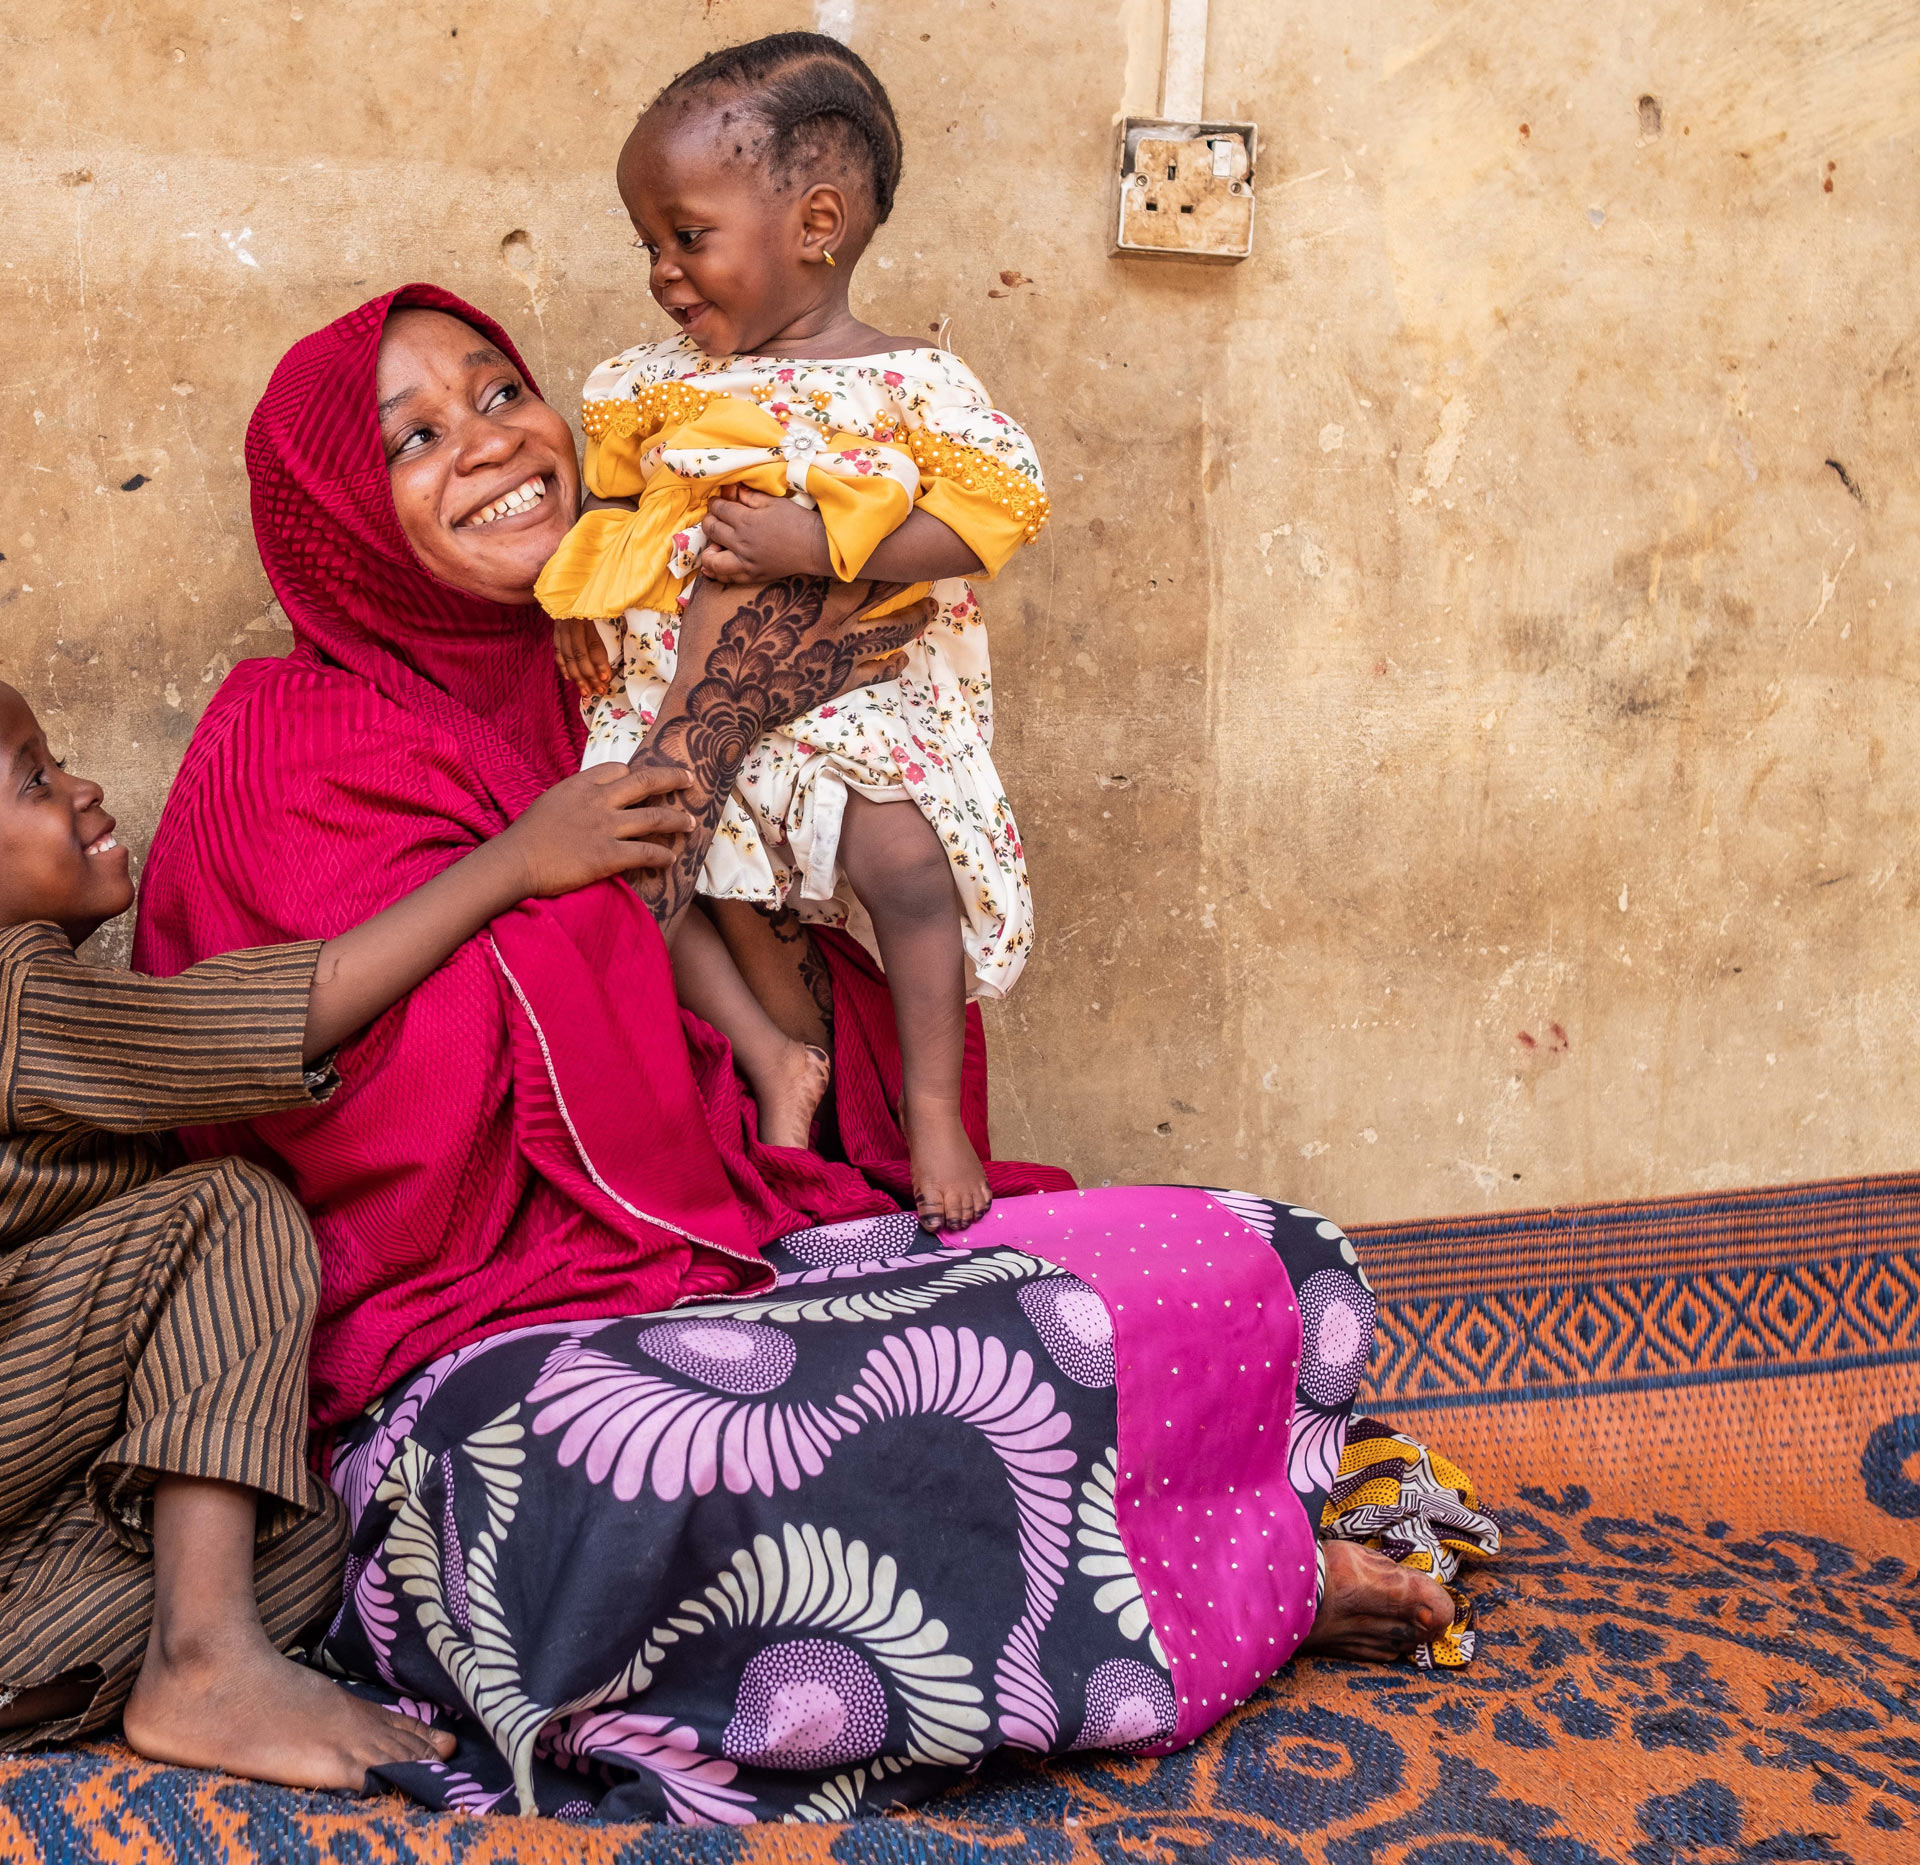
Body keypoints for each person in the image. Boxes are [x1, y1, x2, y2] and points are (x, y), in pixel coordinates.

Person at [131, 286, 1487, 1823]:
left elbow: (761, 956)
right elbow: (316, 1092)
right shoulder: (287, 736)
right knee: (674, 1451)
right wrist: (554, 856)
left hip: (722, 1244)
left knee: (1239, 1251)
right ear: (336, 518)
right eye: (415, 438)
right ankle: (1219, 1586)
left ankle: (1143, 1583)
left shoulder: (600, 665)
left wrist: (711, 767)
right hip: (470, 1355)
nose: (492, 443)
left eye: (501, 391)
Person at [0, 672, 696, 1813]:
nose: (86, 786)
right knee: (228, 1204)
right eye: (36, 776)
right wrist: (517, 858)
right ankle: (209, 1661)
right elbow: (260, 1020)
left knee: (282, 1529)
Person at [537, 32, 1046, 1233]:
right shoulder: (648, 383)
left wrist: (813, 546)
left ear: (817, 224)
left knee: (908, 869)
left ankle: (931, 1105)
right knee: (655, 880)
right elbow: (616, 498)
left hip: (859, 693)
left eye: (688, 236)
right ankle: (775, 1056)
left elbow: (991, 516)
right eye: (648, 245)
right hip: (682, 691)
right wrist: (584, 599)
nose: (663, 272)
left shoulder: (914, 387)